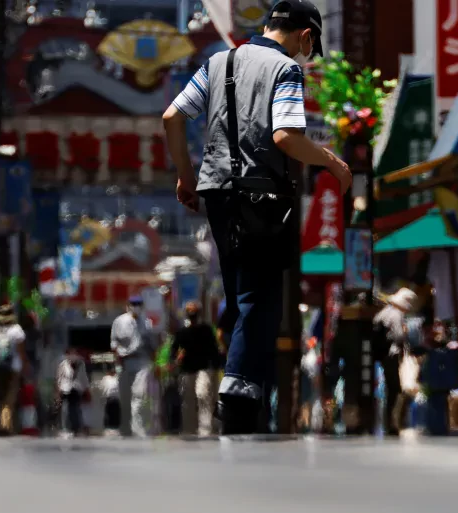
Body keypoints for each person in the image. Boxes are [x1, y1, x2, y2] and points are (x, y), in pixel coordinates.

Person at [162, 0, 351, 434]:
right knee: (260, 299)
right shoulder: (285, 70)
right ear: (306, 36)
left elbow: (172, 116)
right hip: (261, 196)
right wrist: (333, 163)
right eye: (310, 47)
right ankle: (240, 393)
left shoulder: (218, 61)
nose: (306, 55)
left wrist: (186, 177)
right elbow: (285, 136)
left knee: (240, 291)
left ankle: (242, 394)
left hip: (216, 194)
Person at [171, 301, 221, 436]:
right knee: (188, 400)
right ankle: (189, 429)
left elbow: (214, 349)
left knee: (202, 394)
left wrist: (216, 366)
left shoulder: (206, 329)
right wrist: (176, 359)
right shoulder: (182, 332)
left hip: (204, 368)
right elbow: (174, 349)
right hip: (187, 369)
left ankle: (205, 428)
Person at [372, 288, 418, 436]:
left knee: (390, 388)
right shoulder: (396, 314)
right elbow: (398, 336)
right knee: (395, 389)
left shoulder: (384, 312)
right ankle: (392, 423)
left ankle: (387, 422)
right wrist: (405, 334)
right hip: (392, 355)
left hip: (382, 355)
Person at [110, 295, 157, 437]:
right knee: (124, 397)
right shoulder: (119, 321)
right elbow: (114, 343)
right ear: (128, 305)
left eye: (139, 304)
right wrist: (118, 359)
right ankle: (125, 429)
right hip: (125, 362)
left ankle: (138, 429)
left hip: (142, 361)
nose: (136, 306)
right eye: (133, 303)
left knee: (139, 395)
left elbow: (152, 345)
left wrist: (154, 364)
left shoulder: (147, 322)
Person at [0, 304, 31, 435]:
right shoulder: (17, 330)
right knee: (9, 398)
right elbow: (21, 352)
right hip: (13, 369)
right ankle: (4, 426)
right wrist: (25, 365)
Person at [56, 347, 90, 437]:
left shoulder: (80, 364)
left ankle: (76, 428)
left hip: (76, 389)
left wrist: (86, 390)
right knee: (65, 409)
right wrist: (58, 392)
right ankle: (65, 428)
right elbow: (59, 378)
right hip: (65, 389)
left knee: (75, 409)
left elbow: (84, 378)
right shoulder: (63, 365)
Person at [98, 365, 120, 433]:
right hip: (109, 398)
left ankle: (115, 428)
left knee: (115, 414)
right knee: (108, 414)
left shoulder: (117, 378)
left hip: (116, 399)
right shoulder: (106, 378)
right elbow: (101, 388)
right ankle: (108, 428)